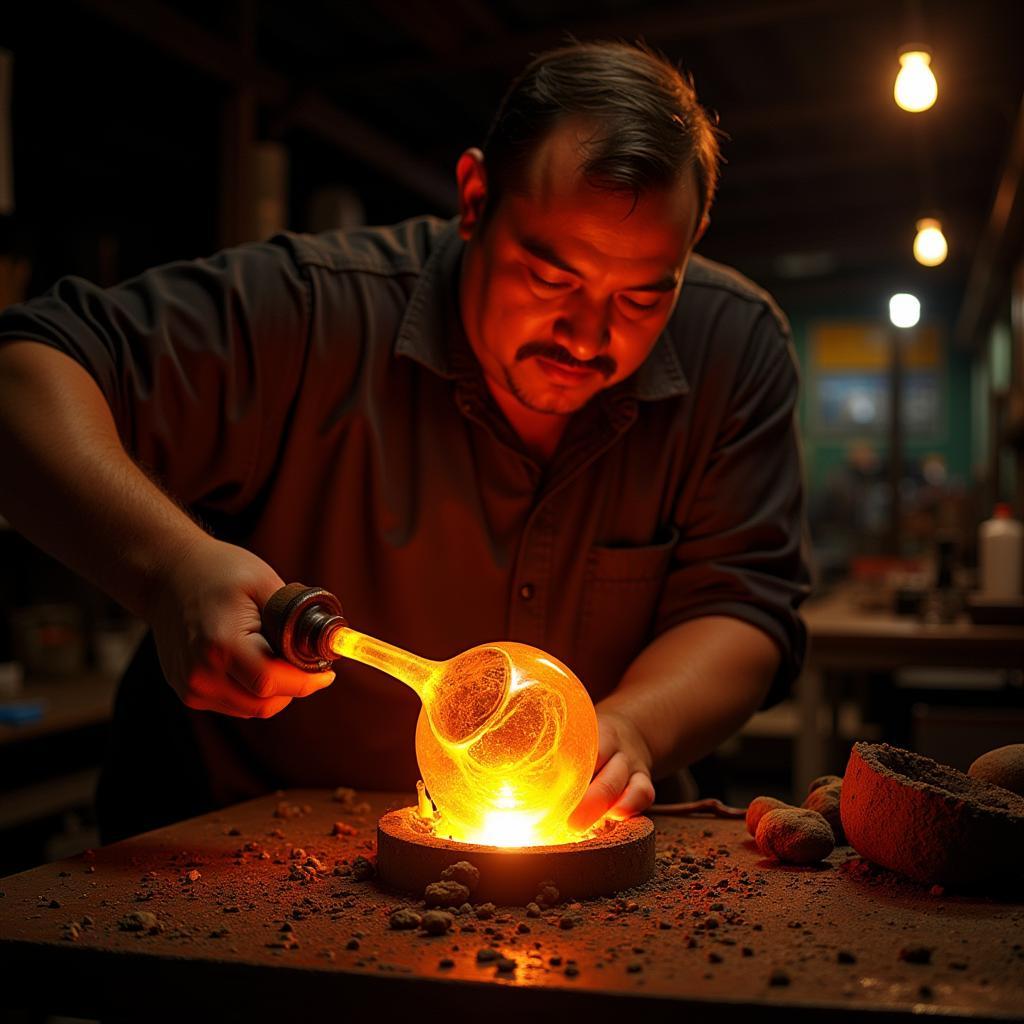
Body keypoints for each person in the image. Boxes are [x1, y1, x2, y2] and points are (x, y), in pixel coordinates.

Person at [0, 41, 810, 842]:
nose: (588, 336)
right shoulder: (312, 314)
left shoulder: (733, 349)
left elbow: (744, 603)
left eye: (641, 297)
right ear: (474, 197)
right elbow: (20, 377)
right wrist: (169, 569)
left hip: (570, 873)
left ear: (694, 237)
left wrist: (632, 727)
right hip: (227, 855)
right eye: (550, 276)